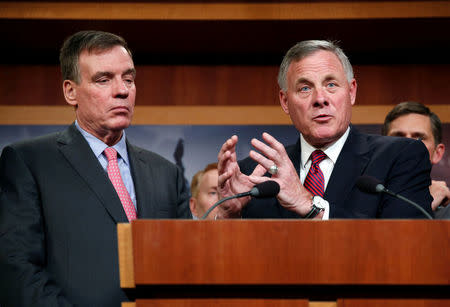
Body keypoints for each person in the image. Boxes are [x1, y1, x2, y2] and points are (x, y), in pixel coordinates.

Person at [0, 30, 191, 307]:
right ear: (70, 91)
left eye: (129, 79)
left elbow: (188, 260)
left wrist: (223, 214)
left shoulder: (165, 173)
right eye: (104, 80)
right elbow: (17, 269)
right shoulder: (29, 161)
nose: (122, 90)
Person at [217, 40, 433, 219]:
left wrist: (309, 205)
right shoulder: (255, 174)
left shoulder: (400, 157)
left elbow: (405, 242)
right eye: (305, 88)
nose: (320, 99)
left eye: (331, 85)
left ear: (351, 92)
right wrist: (228, 214)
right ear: (285, 101)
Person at [382, 101, 450, 218]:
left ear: (437, 153)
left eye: (419, 138)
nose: (408, 145)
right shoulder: (360, 202)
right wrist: (421, 203)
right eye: (398, 136)